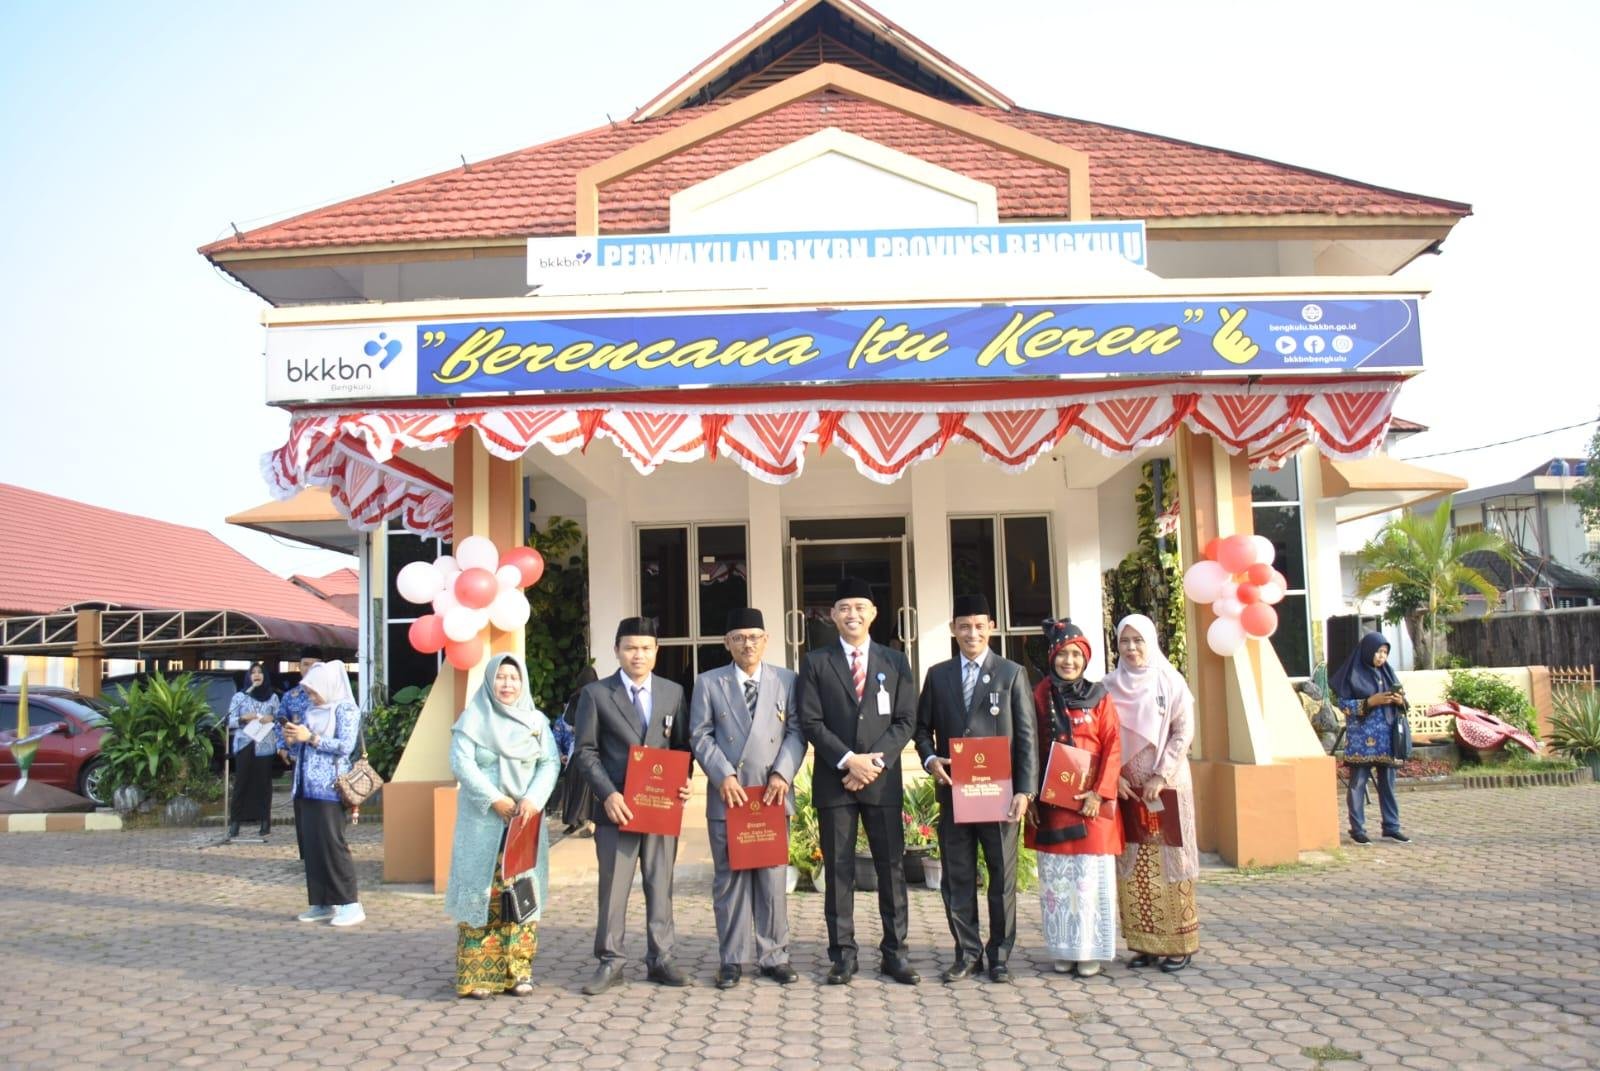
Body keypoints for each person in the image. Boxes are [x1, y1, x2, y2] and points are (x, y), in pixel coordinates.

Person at [795, 577, 919, 986]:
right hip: (837, 783)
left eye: (860, 607)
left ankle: (894, 953)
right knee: (839, 870)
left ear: (873, 613)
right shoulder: (815, 663)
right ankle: (843, 955)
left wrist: (873, 763)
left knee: (892, 869)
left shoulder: (895, 661)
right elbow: (811, 721)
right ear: (832, 615)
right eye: (844, 607)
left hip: (881, 783)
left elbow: (906, 721)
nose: (853, 614)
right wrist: (849, 761)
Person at [914, 594, 1038, 984]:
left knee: (1001, 880)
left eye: (979, 625)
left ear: (992, 627)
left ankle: (999, 955)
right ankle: (966, 952)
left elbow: (1026, 738)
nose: (972, 633)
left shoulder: (1011, 673)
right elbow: (921, 731)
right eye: (964, 626)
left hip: (1000, 798)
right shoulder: (938, 675)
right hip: (955, 795)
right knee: (958, 876)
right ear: (953, 629)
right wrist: (931, 760)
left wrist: (1025, 790)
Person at [571, 617, 693, 994]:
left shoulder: (673, 692)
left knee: (661, 884)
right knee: (614, 887)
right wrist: (607, 794)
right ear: (617, 651)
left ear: (656, 651)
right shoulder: (596, 695)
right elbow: (586, 751)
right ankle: (611, 961)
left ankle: (662, 958)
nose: (638, 655)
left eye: (645, 648)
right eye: (630, 648)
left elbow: (683, 746)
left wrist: (683, 780)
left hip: (660, 808)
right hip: (616, 808)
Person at [689, 608, 807, 990]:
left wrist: (782, 773)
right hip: (730, 798)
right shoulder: (709, 683)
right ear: (727, 643)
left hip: (771, 796)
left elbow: (796, 732)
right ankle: (733, 959)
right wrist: (722, 773)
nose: (747, 644)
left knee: (772, 880)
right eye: (738, 637)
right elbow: (700, 735)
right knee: (730, 880)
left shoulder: (787, 680)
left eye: (754, 636)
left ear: (766, 640)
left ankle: (775, 956)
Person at [446, 653, 561, 998]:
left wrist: (532, 800)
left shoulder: (536, 722)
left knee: (521, 895)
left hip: (523, 823)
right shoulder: (473, 719)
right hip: (482, 823)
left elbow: (550, 763)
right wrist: (495, 799)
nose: (507, 684)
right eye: (501, 677)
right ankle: (479, 975)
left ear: (522, 682)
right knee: (484, 896)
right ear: (490, 681)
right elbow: (461, 762)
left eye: (514, 677)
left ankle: (518, 972)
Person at [1027, 619, 1123, 978]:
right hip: (1054, 803)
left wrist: (1099, 793)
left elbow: (1113, 747)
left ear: (1085, 658)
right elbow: (1031, 745)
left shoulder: (1100, 697)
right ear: (1052, 657)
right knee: (1058, 882)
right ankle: (1064, 949)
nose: (1069, 661)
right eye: (1062, 654)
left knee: (1089, 880)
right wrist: (1032, 795)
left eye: (1075, 655)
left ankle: (1091, 950)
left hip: (1091, 806)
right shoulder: (1039, 695)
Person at [1104, 614, 1198, 972]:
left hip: (1166, 788)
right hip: (1127, 791)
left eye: (1138, 640)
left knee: (1173, 862)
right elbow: (1102, 737)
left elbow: (1183, 731)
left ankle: (1178, 945)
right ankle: (1145, 944)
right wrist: (1113, 778)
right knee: (1133, 864)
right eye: (1124, 641)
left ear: (1151, 641)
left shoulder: (1169, 681)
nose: (1131, 648)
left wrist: (1161, 774)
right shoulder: (1108, 685)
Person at [279, 659, 365, 927]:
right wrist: (294, 740)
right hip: (306, 787)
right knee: (312, 848)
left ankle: (350, 903)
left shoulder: (346, 709)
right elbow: (302, 748)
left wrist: (311, 738)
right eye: (308, 691)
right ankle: (322, 902)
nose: (311, 697)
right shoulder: (311, 711)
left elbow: (344, 746)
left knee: (332, 845)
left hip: (330, 788)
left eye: (314, 691)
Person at [1331, 631, 1411, 845]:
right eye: (1377, 651)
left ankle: (1391, 827)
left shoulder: (1388, 673)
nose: (1381, 657)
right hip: (1362, 739)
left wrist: (1399, 700)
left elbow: (1406, 705)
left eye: (1385, 652)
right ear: (1367, 651)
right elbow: (1343, 705)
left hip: (1387, 738)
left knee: (1388, 783)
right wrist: (1370, 702)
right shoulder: (1353, 674)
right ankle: (1357, 829)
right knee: (1358, 782)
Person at [276, 646, 325, 860]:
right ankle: (305, 853)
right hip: (298, 758)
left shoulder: (328, 694)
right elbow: (281, 720)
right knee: (301, 807)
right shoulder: (291, 696)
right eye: (305, 664)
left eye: (314, 664)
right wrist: (282, 745)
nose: (309, 668)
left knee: (322, 808)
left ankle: (322, 851)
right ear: (299, 667)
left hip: (322, 759)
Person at [227, 662, 279, 839]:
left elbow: (280, 720)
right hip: (244, 744)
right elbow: (229, 721)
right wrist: (243, 718)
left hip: (265, 745)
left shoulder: (273, 697)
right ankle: (235, 823)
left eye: (260, 672)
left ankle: (265, 822)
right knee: (241, 783)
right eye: (253, 672)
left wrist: (272, 718)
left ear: (265, 676)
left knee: (264, 785)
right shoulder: (240, 697)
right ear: (248, 676)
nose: (256, 675)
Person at [558, 666, 599, 835]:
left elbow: (567, 723)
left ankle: (576, 820)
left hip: (582, 747)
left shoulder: (576, 697)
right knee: (588, 785)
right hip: (593, 747)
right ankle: (587, 821)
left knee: (576, 784)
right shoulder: (598, 695)